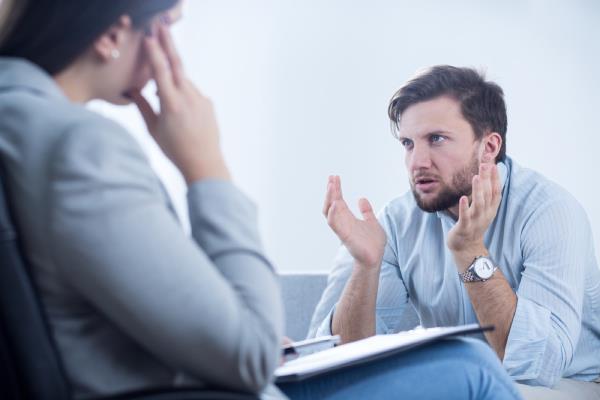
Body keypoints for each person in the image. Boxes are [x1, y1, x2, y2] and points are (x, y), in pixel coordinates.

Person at [0, 1, 522, 399]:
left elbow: (529, 355)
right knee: (470, 367)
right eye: (169, 25)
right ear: (114, 32)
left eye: (436, 140)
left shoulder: (20, 121)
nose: (416, 162)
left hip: (174, 370)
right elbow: (254, 353)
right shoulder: (81, 147)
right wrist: (207, 167)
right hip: (197, 387)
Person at [310, 65, 600, 399]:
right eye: (408, 143)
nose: (417, 162)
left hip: (564, 385)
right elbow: (345, 363)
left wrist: (470, 251)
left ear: (489, 147)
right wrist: (366, 265)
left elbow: (540, 364)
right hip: (455, 383)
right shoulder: (396, 221)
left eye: (436, 139)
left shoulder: (550, 212)